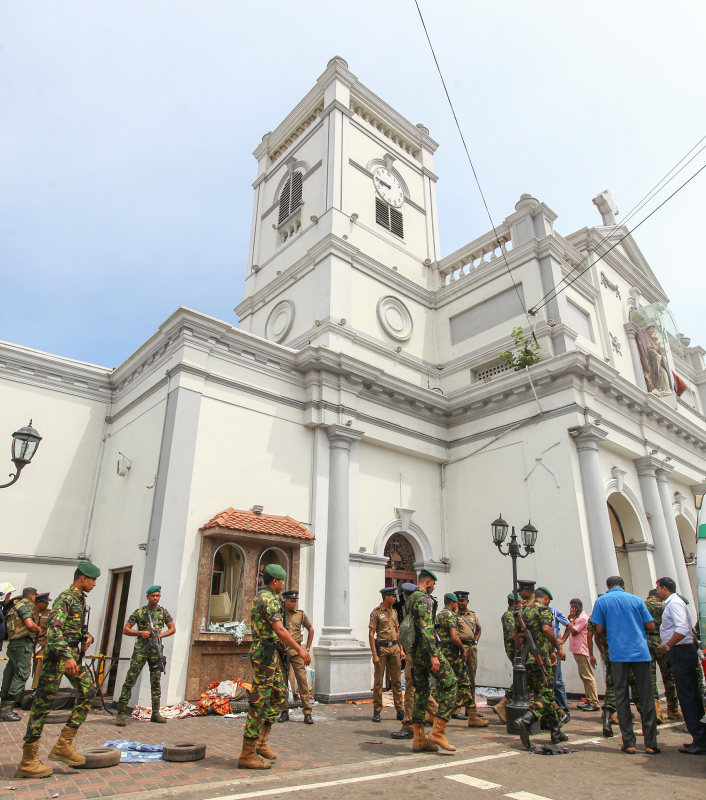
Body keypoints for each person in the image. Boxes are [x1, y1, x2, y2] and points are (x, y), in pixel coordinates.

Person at [15, 561, 100, 779]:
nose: (94, 584)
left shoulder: (79, 600)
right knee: (42, 706)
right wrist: (67, 655)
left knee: (89, 690)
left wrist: (87, 637)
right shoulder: (66, 598)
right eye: (93, 580)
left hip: (70, 657)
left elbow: (74, 628)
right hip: (57, 659)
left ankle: (64, 744)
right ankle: (28, 760)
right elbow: (54, 631)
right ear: (82, 578)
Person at [238, 563, 311, 770]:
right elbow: (279, 629)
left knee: (280, 693)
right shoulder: (267, 599)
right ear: (275, 582)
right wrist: (300, 648)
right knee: (259, 702)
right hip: (264, 655)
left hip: (271, 654)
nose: (283, 585)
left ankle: (261, 742)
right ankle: (247, 752)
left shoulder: (272, 598)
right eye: (282, 581)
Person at [590, 575, 658, 755]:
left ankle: (629, 743)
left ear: (608, 586)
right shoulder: (636, 600)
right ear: (623, 585)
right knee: (646, 696)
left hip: (618, 653)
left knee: (621, 697)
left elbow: (599, 629)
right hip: (640, 652)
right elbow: (650, 625)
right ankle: (651, 743)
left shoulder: (602, 601)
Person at [406, 569, 456, 752]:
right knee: (451, 683)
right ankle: (438, 731)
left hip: (415, 652)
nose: (433, 587)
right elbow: (427, 628)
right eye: (433, 584)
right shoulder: (424, 599)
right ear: (427, 581)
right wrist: (434, 654)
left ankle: (418, 740)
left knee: (421, 692)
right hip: (427, 651)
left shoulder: (410, 599)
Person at [655, 577, 706, 754]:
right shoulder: (675, 602)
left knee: (687, 696)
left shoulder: (674, 603)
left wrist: (667, 645)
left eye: (658, 588)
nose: (657, 591)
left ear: (664, 588)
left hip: (681, 651)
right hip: (684, 651)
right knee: (691, 694)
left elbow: (683, 628)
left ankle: (699, 737)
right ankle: (699, 736)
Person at [513, 581, 566, 749]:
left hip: (528, 658)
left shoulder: (523, 612)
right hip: (540, 658)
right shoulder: (543, 610)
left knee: (541, 693)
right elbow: (546, 629)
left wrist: (524, 650)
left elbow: (516, 635)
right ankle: (526, 720)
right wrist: (557, 647)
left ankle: (555, 731)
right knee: (548, 694)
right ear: (545, 599)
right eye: (548, 601)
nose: (548, 603)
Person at [115, 585, 176, 726]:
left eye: (157, 596)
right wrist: (140, 633)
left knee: (156, 682)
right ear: (148, 596)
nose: (155, 598)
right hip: (141, 650)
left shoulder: (163, 612)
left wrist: (160, 635)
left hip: (156, 651)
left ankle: (155, 713)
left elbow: (172, 628)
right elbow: (126, 629)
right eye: (153, 596)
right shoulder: (140, 612)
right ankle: (121, 713)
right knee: (130, 679)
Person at [390, 583, 438, 740]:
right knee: (420, 686)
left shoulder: (415, 607)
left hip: (416, 651)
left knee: (411, 687)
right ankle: (438, 713)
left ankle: (409, 724)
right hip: (420, 650)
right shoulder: (421, 604)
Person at [435, 592, 488, 728]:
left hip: (443, 652)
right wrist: (462, 650)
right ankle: (473, 716)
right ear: (452, 603)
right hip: (453, 653)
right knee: (464, 683)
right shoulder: (451, 615)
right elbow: (454, 636)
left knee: (442, 683)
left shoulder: (440, 615)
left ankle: (431, 712)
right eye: (456, 603)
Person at [0, 587, 40, 721]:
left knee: (10, 673)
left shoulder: (14, 606)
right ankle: (7, 708)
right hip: (23, 645)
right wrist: (38, 629)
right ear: (31, 597)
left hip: (13, 645)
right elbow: (29, 624)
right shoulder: (25, 606)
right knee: (23, 674)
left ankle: (3, 706)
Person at [277, 589, 314, 725]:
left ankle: (307, 712)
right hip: (282, 652)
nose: (293, 604)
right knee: (283, 682)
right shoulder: (279, 615)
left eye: (295, 601)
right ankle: (284, 711)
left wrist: (307, 648)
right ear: (285, 601)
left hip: (297, 651)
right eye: (291, 601)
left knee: (302, 681)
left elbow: (311, 629)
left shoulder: (300, 614)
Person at [369, 586, 405, 723]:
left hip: (394, 647)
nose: (395, 598)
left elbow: (397, 631)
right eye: (393, 596)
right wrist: (374, 654)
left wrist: (401, 649)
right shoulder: (376, 613)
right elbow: (371, 634)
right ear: (386, 597)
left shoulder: (394, 612)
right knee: (379, 681)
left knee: (396, 680)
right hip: (382, 649)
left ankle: (399, 709)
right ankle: (377, 710)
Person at [536, 587, 570, 721]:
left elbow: (569, 626)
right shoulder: (537, 611)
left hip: (551, 651)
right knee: (548, 683)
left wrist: (561, 642)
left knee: (556, 681)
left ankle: (563, 711)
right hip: (543, 652)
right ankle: (554, 714)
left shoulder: (554, 612)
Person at [645, 588, 679, 722]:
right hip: (662, 642)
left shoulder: (641, 605)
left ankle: (656, 711)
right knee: (668, 675)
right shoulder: (663, 606)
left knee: (650, 677)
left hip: (646, 643)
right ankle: (672, 709)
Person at [450, 590, 484, 723]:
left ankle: (471, 709)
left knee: (472, 677)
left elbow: (479, 629)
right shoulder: (454, 616)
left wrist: (475, 640)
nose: (460, 603)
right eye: (458, 600)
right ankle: (456, 708)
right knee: (460, 678)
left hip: (472, 648)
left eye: (463, 600)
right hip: (460, 648)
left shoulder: (472, 615)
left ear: (467, 601)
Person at [563, 598, 599, 712]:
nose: (571, 610)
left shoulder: (583, 618)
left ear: (577, 607)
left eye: (572, 607)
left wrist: (572, 619)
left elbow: (573, 631)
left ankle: (594, 701)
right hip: (577, 650)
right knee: (583, 675)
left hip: (581, 650)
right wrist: (571, 619)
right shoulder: (577, 618)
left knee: (587, 675)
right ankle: (589, 699)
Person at [493, 593, 517, 724]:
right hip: (515, 652)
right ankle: (503, 704)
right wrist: (516, 655)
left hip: (517, 652)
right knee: (522, 680)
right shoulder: (509, 616)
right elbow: (513, 635)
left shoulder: (511, 615)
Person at [32, 593, 51, 689]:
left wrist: (45, 642)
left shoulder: (48, 613)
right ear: (38, 603)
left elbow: (52, 629)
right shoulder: (29, 612)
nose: (48, 604)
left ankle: (36, 687)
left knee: (39, 663)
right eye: (45, 602)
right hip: (29, 641)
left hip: (41, 642)